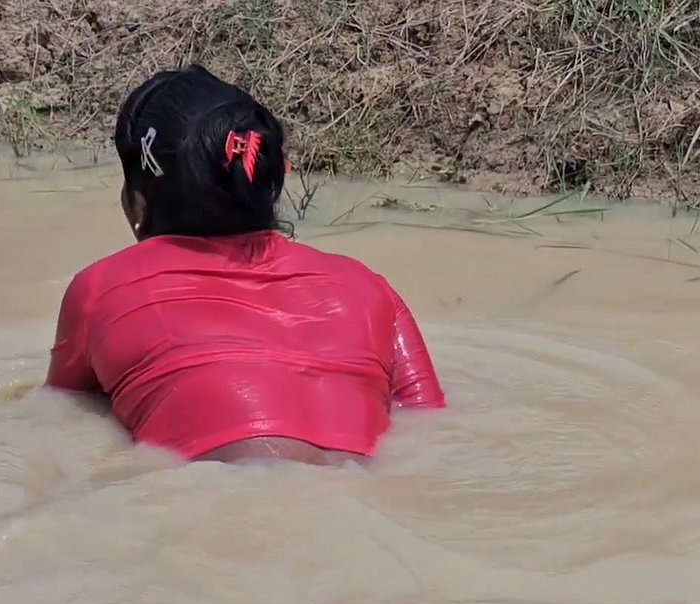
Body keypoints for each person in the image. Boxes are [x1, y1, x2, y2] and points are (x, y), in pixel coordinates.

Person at [44, 65, 445, 466]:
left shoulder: (99, 289)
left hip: (217, 501)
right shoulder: (369, 288)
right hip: (360, 497)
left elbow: (63, 414)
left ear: (138, 205)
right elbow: (427, 426)